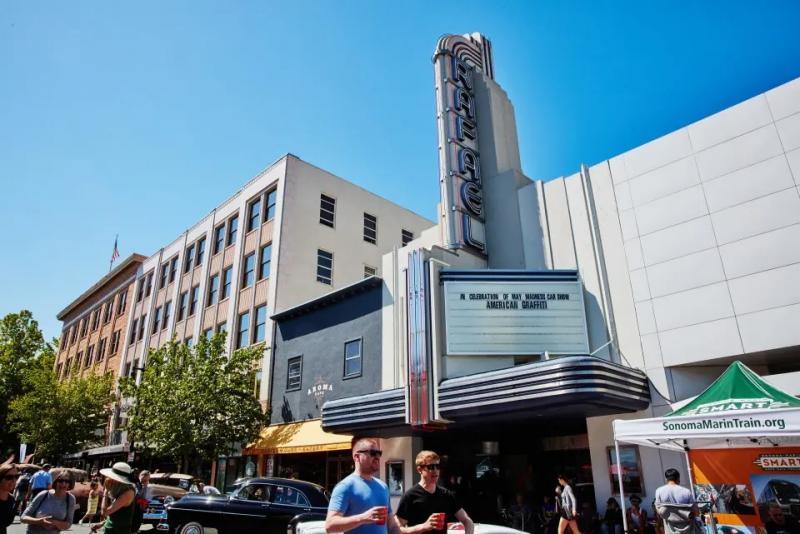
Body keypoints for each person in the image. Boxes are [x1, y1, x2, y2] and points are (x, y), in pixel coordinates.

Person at [325, 436, 398, 534]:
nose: (377, 457)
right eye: (372, 453)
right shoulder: (345, 486)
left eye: (379, 453)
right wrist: (363, 518)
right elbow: (330, 525)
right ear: (357, 457)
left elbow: (391, 526)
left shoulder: (383, 487)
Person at [395, 450, 474, 534]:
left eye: (438, 466)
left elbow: (467, 520)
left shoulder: (446, 494)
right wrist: (424, 526)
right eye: (431, 467)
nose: (435, 470)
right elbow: (397, 530)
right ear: (419, 469)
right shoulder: (410, 496)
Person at [20, 470, 76, 534]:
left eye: (67, 481)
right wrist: (39, 521)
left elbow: (68, 524)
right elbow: (23, 517)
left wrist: (54, 523)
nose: (63, 484)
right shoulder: (44, 495)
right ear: (56, 481)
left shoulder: (70, 499)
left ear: (70, 484)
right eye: (60, 481)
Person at [89, 462, 136, 534]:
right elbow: (116, 514)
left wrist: (106, 491)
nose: (109, 479)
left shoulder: (128, 493)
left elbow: (104, 513)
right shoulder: (119, 489)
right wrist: (103, 523)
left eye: (113, 477)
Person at [654, 469, 698, 534]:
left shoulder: (659, 491)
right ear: (678, 478)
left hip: (670, 529)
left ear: (666, 479)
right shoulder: (686, 491)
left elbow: (659, 512)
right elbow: (696, 512)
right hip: (688, 529)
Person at [0, 463, 19, 534]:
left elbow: (6, 523)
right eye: (9, 477)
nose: (14, 480)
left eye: (16, 476)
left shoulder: (11, 499)